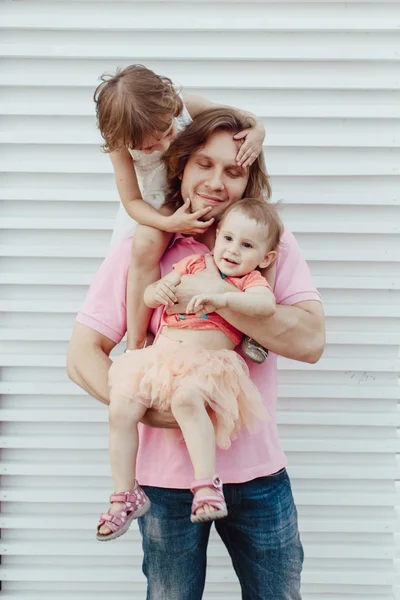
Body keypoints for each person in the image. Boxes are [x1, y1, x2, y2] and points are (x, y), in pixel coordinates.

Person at [68, 107, 325, 599]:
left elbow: (311, 342)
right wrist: (152, 408)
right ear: (180, 165)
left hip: (258, 475)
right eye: (204, 164)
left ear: (249, 180)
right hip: (163, 487)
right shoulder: (143, 248)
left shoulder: (268, 247)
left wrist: (220, 293)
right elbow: (82, 355)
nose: (215, 181)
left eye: (234, 170)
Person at [96, 199, 283, 541]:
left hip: (206, 365)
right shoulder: (194, 263)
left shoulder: (248, 282)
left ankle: (206, 484)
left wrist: (224, 298)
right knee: (121, 408)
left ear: (266, 258)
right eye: (227, 239)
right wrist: (159, 289)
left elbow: (265, 305)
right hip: (161, 359)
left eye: (247, 245)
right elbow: (151, 296)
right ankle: (126, 492)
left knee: (187, 400)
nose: (232, 250)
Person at [94, 64, 267, 362]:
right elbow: (132, 201)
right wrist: (167, 222)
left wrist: (259, 131)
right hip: (159, 204)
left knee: (251, 234)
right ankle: (136, 341)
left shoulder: (187, 105)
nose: (165, 145)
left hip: (199, 188)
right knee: (146, 243)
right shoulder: (120, 147)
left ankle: (256, 329)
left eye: (168, 132)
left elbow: (241, 117)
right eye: (148, 148)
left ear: (171, 106)